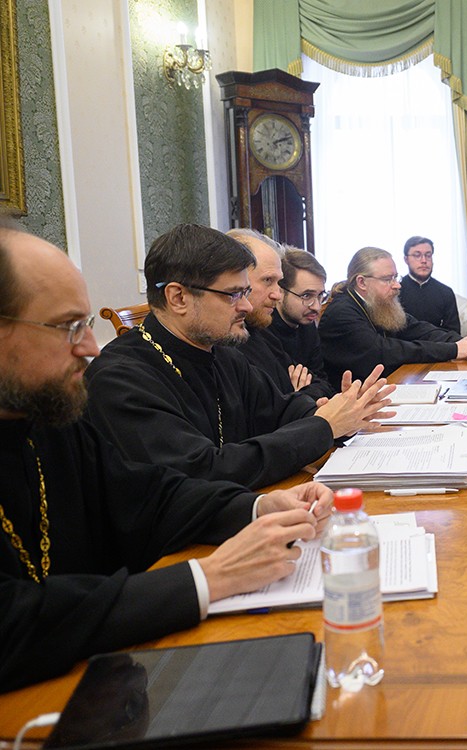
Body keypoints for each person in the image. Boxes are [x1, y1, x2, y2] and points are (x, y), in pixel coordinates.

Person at [0, 216, 333, 691]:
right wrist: (208, 577)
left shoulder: (46, 418)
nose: (91, 348)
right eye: (67, 328)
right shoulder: (105, 383)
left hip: (96, 673)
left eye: (86, 324)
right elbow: (11, 622)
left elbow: (145, 495)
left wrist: (257, 507)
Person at [85, 224, 391, 488]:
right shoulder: (119, 377)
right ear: (178, 297)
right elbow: (202, 470)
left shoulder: (221, 353)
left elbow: (280, 410)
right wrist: (323, 427)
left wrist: (342, 412)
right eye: (234, 294)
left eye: (246, 292)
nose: (246, 307)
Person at [320, 246, 467, 382]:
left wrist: (461, 342)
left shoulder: (376, 303)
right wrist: (452, 350)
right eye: (387, 279)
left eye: (395, 277)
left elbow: (417, 328)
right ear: (361, 282)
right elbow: (385, 351)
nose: (397, 285)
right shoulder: (342, 313)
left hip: (385, 385)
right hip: (349, 400)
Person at [228, 229, 335, 400]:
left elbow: (321, 384)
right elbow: (267, 410)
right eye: (268, 281)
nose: (276, 295)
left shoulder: (259, 331)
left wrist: (298, 396)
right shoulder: (230, 339)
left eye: (320, 296)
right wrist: (298, 397)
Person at [269, 245, 335, 398]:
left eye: (320, 296)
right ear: (280, 291)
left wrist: (304, 391)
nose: (317, 307)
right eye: (306, 296)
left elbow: (324, 384)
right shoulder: (263, 330)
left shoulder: (307, 325)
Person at [397, 236, 462, 335]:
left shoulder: (445, 292)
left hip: (438, 347)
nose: (424, 260)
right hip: (405, 348)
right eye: (417, 255)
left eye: (428, 255)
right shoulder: (396, 291)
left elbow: (453, 332)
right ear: (406, 260)